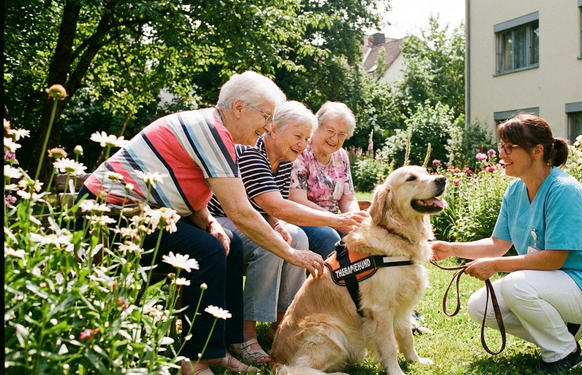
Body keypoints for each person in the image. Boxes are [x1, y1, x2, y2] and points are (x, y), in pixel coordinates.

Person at [78, 71, 325, 375]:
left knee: (228, 243)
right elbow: (242, 212)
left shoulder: (217, 131)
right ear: (238, 108)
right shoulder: (210, 130)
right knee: (206, 250)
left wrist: (209, 222)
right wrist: (292, 254)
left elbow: (191, 188)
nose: (268, 127)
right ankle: (195, 361)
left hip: (145, 213)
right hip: (109, 215)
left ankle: (218, 346)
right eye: (265, 116)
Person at [431, 113, 582, 373]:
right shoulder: (515, 190)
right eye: (501, 146)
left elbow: (554, 259)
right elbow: (498, 244)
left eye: (509, 148)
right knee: (479, 307)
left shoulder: (564, 190)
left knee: (516, 284)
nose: (502, 154)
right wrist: (452, 248)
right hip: (549, 284)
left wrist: (496, 265)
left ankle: (566, 354)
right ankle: (565, 333)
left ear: (537, 151)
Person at [207, 100, 367, 364]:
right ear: (273, 129)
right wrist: (336, 219)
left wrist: (278, 224)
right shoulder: (251, 152)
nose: (302, 145)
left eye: (305, 138)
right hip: (222, 219)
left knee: (298, 237)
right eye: (298, 136)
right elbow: (274, 203)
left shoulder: (282, 158)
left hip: (253, 218)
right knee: (269, 246)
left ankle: (282, 324)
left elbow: (271, 207)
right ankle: (246, 337)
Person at [288, 101, 362, 258]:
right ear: (316, 126)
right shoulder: (301, 151)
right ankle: (327, 282)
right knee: (330, 238)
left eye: (342, 134)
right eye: (330, 130)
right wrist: (338, 221)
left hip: (335, 221)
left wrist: (354, 221)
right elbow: (297, 200)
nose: (335, 139)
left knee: (363, 239)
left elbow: (348, 198)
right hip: (304, 219)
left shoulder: (341, 156)